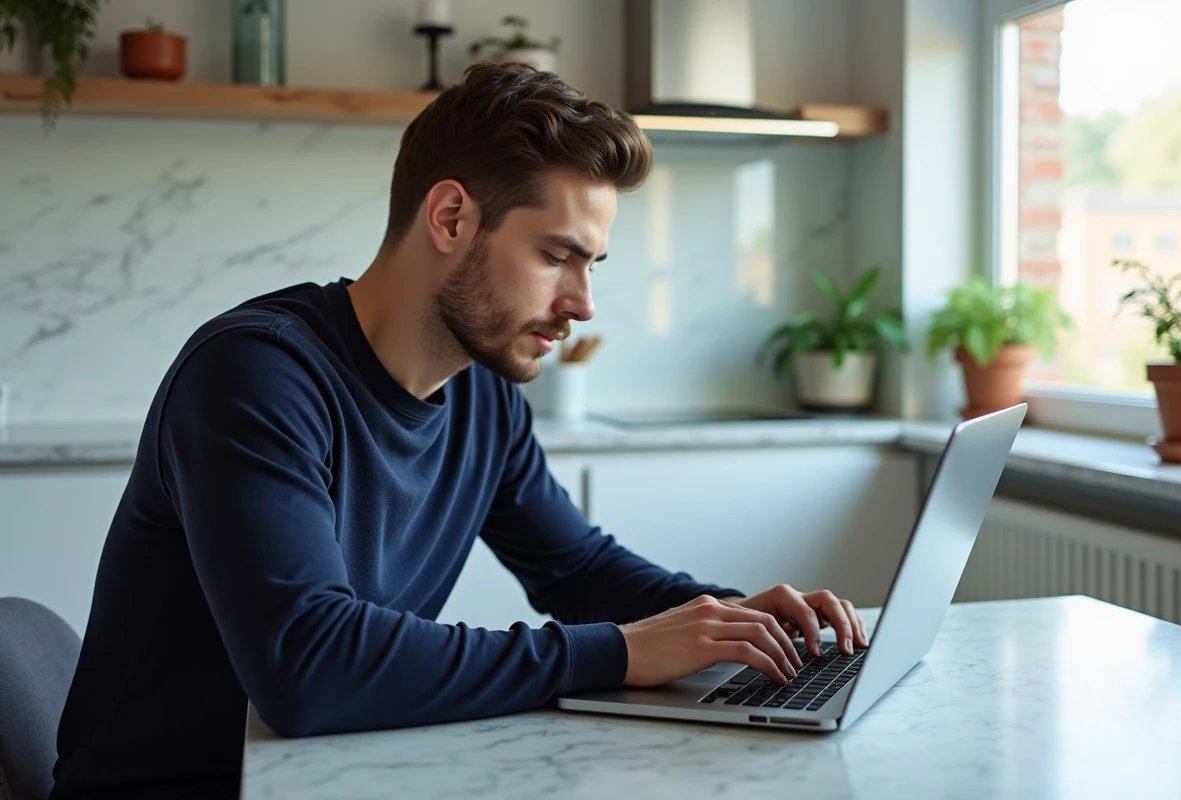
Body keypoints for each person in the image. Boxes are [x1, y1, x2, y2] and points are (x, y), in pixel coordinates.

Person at [49, 62, 869, 799]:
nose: (584, 304)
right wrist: (621, 650)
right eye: (558, 255)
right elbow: (309, 670)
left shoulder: (484, 393)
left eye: (593, 265)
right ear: (450, 217)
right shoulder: (254, 377)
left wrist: (732, 620)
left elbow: (574, 567)